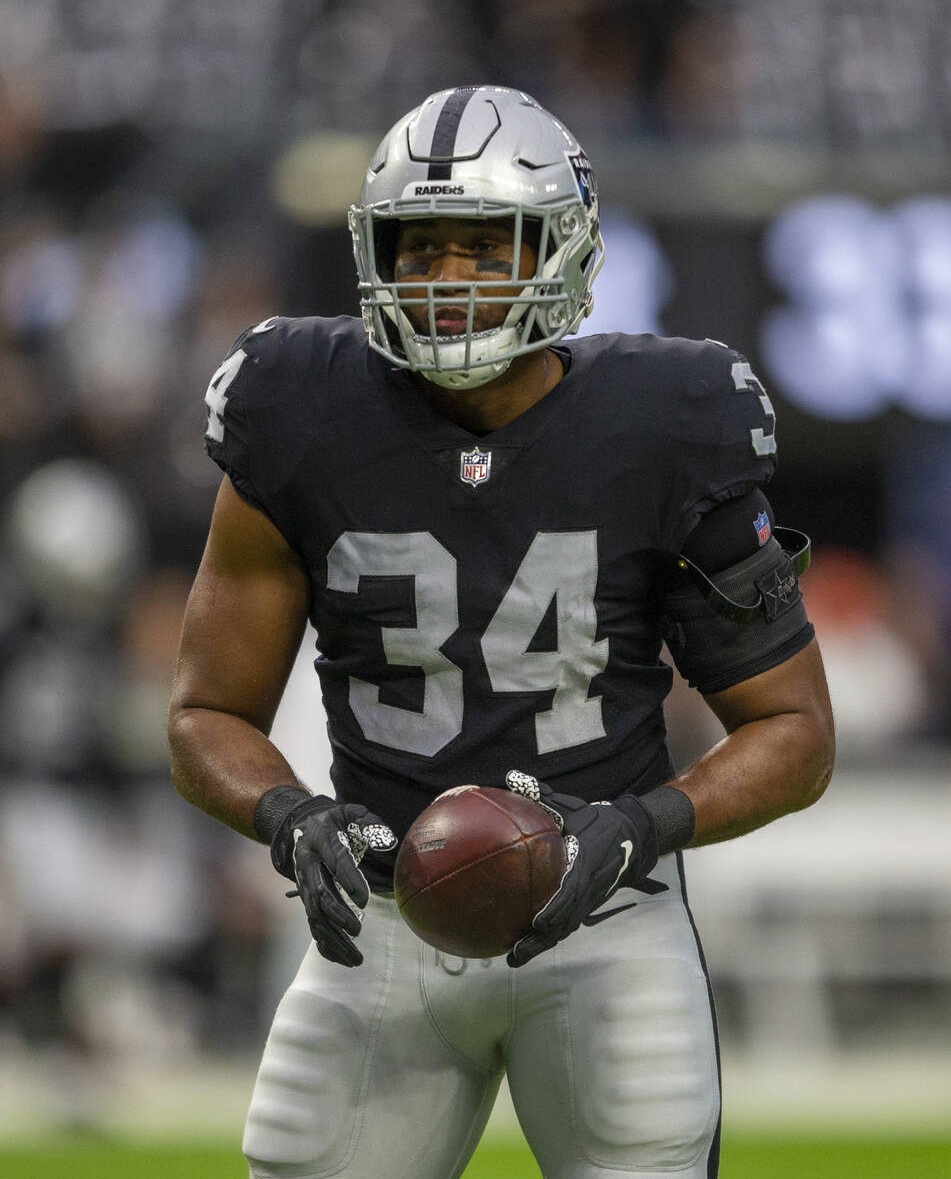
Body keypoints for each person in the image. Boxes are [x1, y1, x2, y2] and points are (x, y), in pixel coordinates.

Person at [168, 85, 834, 1179]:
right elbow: (204, 712)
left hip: (607, 920)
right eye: (419, 246)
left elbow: (795, 732)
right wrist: (288, 814)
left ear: (561, 247)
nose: (448, 278)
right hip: (379, 920)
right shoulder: (296, 407)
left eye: (485, 245)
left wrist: (641, 824)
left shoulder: (668, 420)